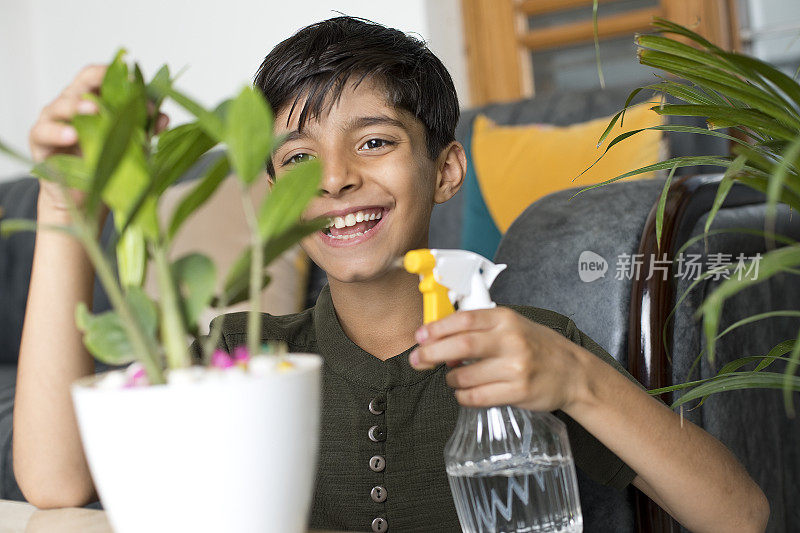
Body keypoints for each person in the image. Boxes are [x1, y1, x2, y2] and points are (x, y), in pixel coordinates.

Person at [15, 15, 769, 533]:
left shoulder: (528, 349)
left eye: (373, 142)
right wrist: (65, 199)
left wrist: (576, 379)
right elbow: (53, 484)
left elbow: (741, 515)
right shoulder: (241, 356)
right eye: (299, 159)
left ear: (445, 170)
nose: (335, 180)